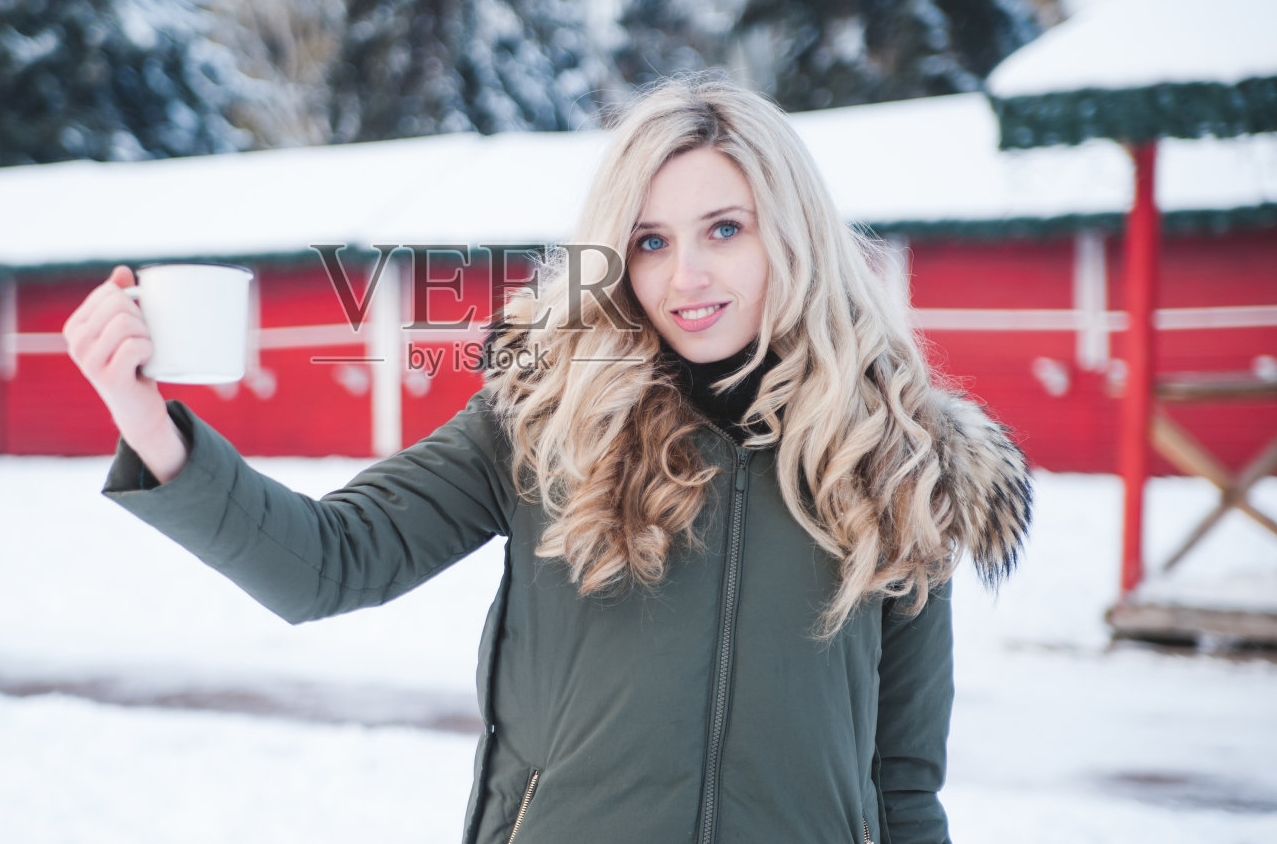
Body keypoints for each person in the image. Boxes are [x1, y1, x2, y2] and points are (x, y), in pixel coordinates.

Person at [63, 77, 1033, 844]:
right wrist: (149, 423)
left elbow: (900, 786)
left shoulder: (897, 462)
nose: (685, 276)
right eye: (650, 241)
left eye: (724, 230)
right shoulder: (544, 420)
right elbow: (329, 561)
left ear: (795, 234)